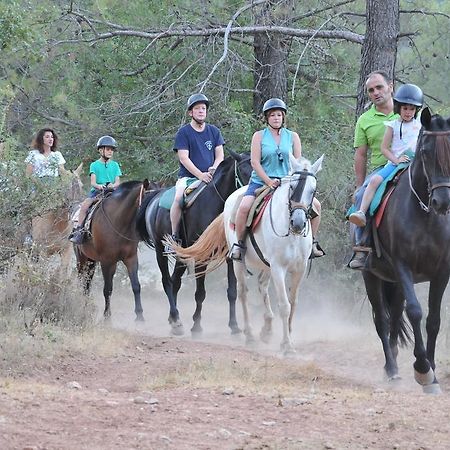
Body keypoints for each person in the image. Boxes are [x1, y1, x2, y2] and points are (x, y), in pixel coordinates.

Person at [229, 98, 324, 261]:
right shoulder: (258, 136)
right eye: (272, 115)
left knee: (316, 205)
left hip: (287, 182)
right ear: (267, 118)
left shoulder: (293, 136)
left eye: (279, 115)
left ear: (283, 117)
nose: (276, 118)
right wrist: (268, 181)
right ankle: (239, 245)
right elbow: (254, 162)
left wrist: (289, 179)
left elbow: (297, 162)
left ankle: (312, 243)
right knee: (244, 207)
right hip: (261, 181)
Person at [349, 84, 423, 228]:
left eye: (412, 109)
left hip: (415, 163)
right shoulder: (392, 125)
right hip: (396, 163)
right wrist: (396, 160)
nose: (408, 112)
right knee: (375, 180)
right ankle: (361, 212)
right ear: (399, 108)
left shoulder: (420, 125)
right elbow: (384, 148)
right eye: (405, 108)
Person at [348, 70, 398, 269]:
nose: (376, 92)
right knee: (363, 198)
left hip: (411, 164)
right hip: (381, 167)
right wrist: (360, 185)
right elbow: (361, 155)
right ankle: (361, 248)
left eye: (379, 87)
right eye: (371, 90)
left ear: (390, 87)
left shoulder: (408, 110)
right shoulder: (365, 120)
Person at [164, 93, 225, 254]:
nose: (201, 111)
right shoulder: (184, 133)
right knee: (178, 200)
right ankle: (174, 237)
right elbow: (184, 158)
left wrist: (214, 167)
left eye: (203, 108)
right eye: (197, 108)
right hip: (189, 178)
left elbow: (220, 155)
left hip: (212, 177)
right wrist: (200, 175)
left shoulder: (214, 131)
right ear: (190, 112)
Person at [69, 135, 122, 244]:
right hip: (98, 192)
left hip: (113, 192)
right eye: (108, 149)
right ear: (101, 150)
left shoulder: (115, 165)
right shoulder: (94, 165)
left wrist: (113, 185)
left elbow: (118, 181)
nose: (110, 152)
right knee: (84, 206)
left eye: (112, 150)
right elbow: (93, 182)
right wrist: (100, 186)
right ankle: (80, 230)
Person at [24, 128, 68, 245]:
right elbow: (28, 174)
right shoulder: (33, 154)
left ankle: (66, 234)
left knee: (66, 206)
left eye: (52, 137)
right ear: (41, 139)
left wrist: (70, 177)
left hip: (54, 187)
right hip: (37, 187)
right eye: (47, 137)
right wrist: (39, 186)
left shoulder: (57, 155)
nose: (50, 139)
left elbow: (62, 172)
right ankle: (28, 235)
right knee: (29, 208)